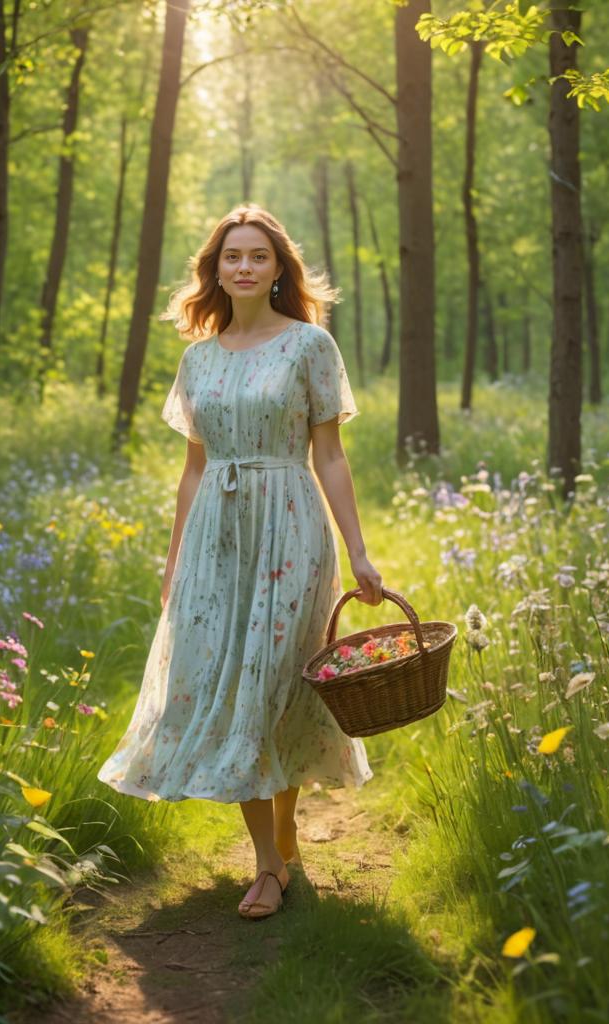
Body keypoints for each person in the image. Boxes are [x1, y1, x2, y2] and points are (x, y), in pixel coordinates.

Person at [97, 204, 384, 920]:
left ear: (278, 268)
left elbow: (330, 456)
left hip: (291, 528)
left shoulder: (310, 346)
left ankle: (280, 838)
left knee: (277, 687)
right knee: (234, 691)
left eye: (259, 255)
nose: (245, 266)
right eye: (233, 256)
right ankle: (267, 864)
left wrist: (359, 551)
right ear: (216, 270)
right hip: (217, 538)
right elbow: (193, 470)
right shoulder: (198, 359)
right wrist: (175, 563)